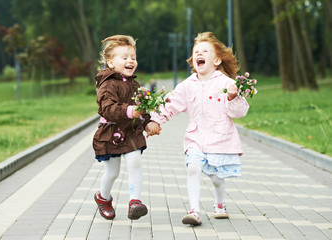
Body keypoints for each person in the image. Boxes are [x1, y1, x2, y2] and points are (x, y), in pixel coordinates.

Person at [150, 32, 249, 225]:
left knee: (217, 178)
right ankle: (194, 211)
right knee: (193, 168)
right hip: (196, 138)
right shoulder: (187, 85)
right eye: (196, 52)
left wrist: (233, 96)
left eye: (204, 51)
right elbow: (170, 104)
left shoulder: (227, 83)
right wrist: (154, 120)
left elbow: (239, 112)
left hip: (220, 139)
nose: (199, 54)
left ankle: (219, 204)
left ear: (217, 59)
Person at [92, 35, 161, 221]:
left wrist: (148, 122)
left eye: (133, 57)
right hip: (111, 133)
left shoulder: (134, 84)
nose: (130, 60)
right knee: (112, 172)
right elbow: (108, 109)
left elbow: (142, 108)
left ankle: (135, 202)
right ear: (111, 62)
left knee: (135, 162)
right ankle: (103, 198)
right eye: (125, 57)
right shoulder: (107, 84)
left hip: (131, 132)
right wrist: (131, 111)